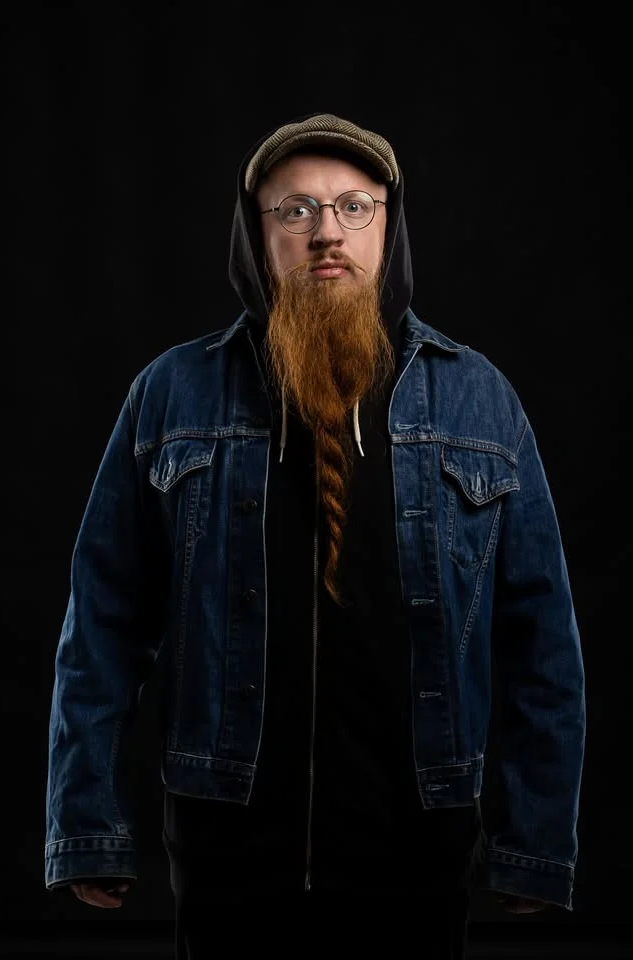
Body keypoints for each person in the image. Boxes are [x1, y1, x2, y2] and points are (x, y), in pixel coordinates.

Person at [45, 113, 586, 958]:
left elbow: (541, 643)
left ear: (388, 229)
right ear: (256, 236)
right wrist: (88, 823)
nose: (326, 231)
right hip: (226, 859)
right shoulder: (171, 393)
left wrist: (534, 842)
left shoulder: (480, 399)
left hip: (420, 856)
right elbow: (101, 629)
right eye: (294, 210)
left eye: (353, 206)